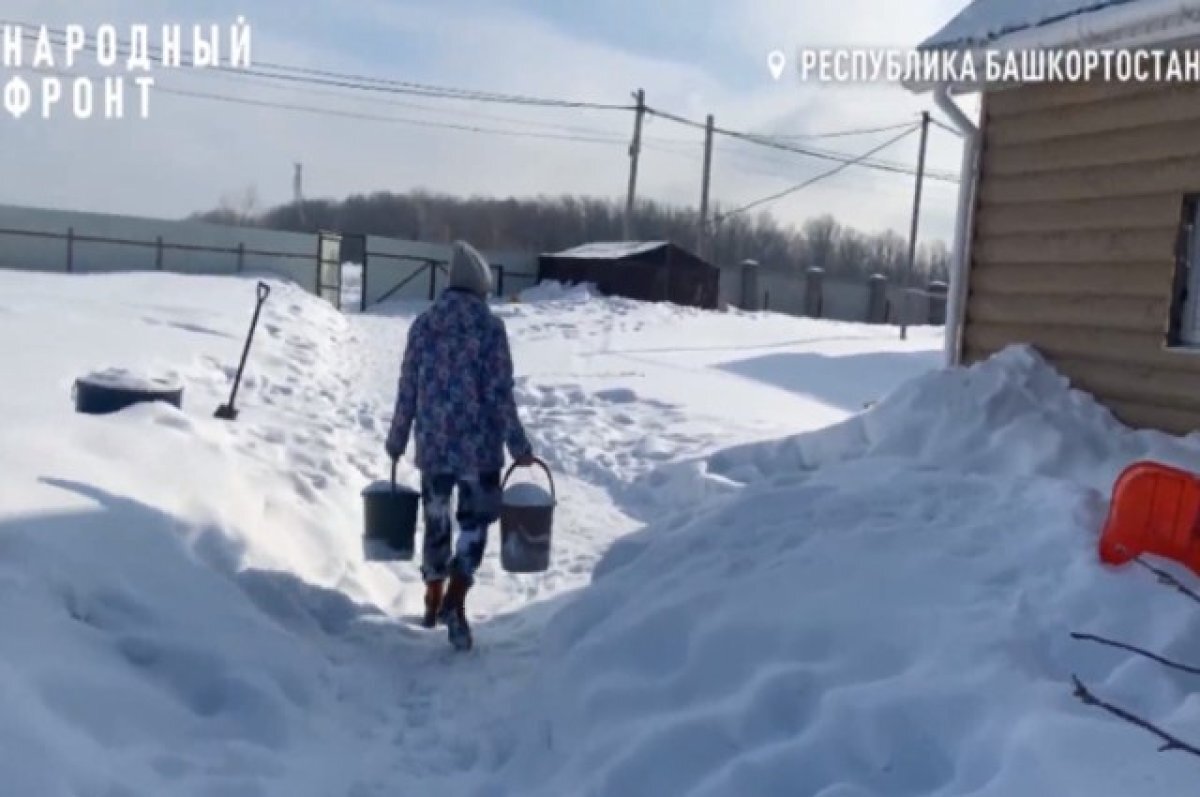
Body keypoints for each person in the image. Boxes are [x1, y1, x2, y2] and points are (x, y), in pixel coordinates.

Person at [385, 240, 534, 651]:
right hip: (479, 448)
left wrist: (398, 437)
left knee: (437, 521)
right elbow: (499, 393)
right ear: (481, 286)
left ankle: (432, 601)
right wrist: (518, 445)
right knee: (473, 525)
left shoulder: (423, 325)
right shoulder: (489, 328)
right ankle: (456, 598)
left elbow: (407, 389)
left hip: (434, 446)